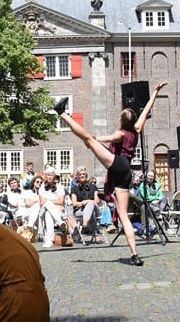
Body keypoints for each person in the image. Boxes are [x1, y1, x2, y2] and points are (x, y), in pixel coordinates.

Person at [54, 81, 167, 266]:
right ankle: (135, 255)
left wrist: (92, 140)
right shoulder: (137, 129)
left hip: (118, 164)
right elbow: (146, 109)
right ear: (133, 121)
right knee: (123, 215)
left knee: (88, 138)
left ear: (122, 122)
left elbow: (106, 138)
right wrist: (154, 92)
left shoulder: (120, 134)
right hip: (127, 173)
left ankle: (62, 113)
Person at [69, 167, 103, 244]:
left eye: (84, 174)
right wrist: (82, 203)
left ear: (86, 175)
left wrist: (88, 201)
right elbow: (74, 203)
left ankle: (85, 223)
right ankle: (96, 236)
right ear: (77, 177)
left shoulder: (93, 187)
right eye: (80, 174)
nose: (82, 175)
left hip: (95, 209)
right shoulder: (74, 189)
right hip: (80, 210)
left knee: (90, 204)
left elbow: (97, 201)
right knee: (90, 211)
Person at [37, 168, 68, 247]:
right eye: (47, 175)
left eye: (51, 175)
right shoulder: (42, 188)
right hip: (43, 210)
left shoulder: (60, 187)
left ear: (54, 177)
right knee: (47, 204)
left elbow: (61, 202)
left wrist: (50, 203)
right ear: (45, 177)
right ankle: (60, 222)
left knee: (48, 213)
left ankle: (49, 240)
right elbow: (42, 202)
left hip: (55, 210)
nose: (49, 177)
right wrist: (53, 203)